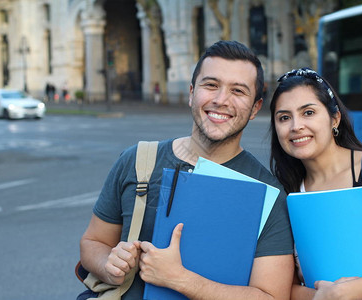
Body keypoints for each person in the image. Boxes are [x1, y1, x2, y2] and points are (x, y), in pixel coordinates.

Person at [78, 40, 294, 300]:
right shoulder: (137, 160)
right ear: (192, 92)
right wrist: (108, 265)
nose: (220, 100)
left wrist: (180, 279)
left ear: (255, 109)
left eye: (238, 91)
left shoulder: (267, 193)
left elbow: (271, 297)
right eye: (211, 85)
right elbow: (93, 243)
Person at [269, 67, 362, 300]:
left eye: (308, 112)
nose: (295, 126)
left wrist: (344, 293)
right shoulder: (286, 192)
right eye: (284, 117)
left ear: (335, 118)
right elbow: (284, 287)